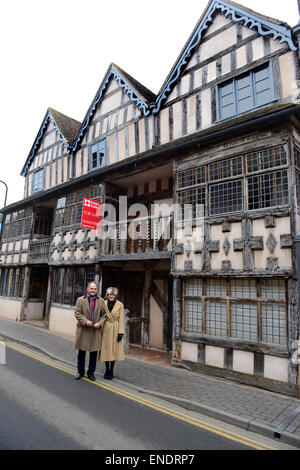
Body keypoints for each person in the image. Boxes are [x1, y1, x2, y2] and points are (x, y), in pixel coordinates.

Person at [74, 281, 106, 381]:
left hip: (95, 331)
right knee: (81, 353)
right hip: (83, 330)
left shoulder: (101, 301)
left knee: (93, 354)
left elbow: (104, 315)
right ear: (88, 289)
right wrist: (85, 321)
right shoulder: (80, 300)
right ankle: (80, 372)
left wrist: (100, 323)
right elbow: (77, 313)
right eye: (91, 288)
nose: (93, 290)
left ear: (97, 290)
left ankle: (91, 373)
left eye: (95, 289)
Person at [99, 287, 125, 379]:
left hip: (115, 328)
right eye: (110, 295)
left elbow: (121, 319)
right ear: (107, 295)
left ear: (115, 296)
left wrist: (121, 332)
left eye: (113, 295)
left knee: (114, 350)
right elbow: (101, 315)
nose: (111, 296)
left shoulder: (120, 305)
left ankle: (111, 370)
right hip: (106, 328)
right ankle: (106, 370)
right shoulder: (104, 303)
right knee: (106, 349)